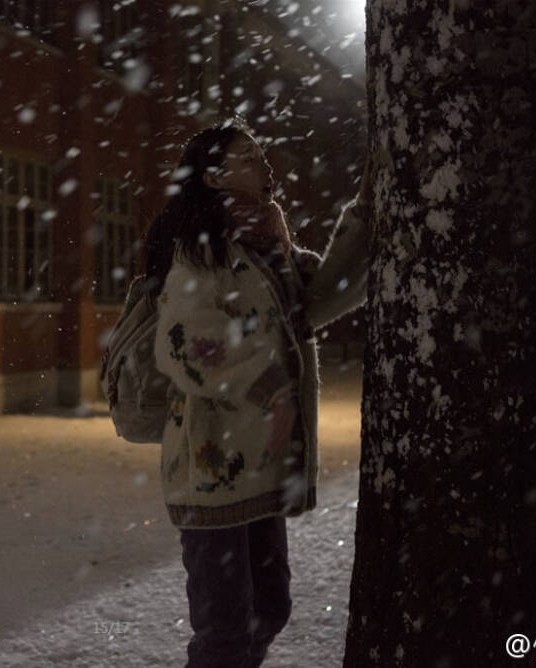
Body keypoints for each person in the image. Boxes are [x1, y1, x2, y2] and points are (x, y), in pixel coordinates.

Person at [143, 118, 370, 668]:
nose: (267, 166)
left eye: (263, 156)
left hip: (261, 464)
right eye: (251, 158)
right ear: (217, 177)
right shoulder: (200, 253)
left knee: (269, 608)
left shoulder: (269, 247)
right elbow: (188, 347)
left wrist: (370, 211)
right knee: (224, 630)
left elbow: (326, 294)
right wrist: (271, 388)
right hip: (212, 470)